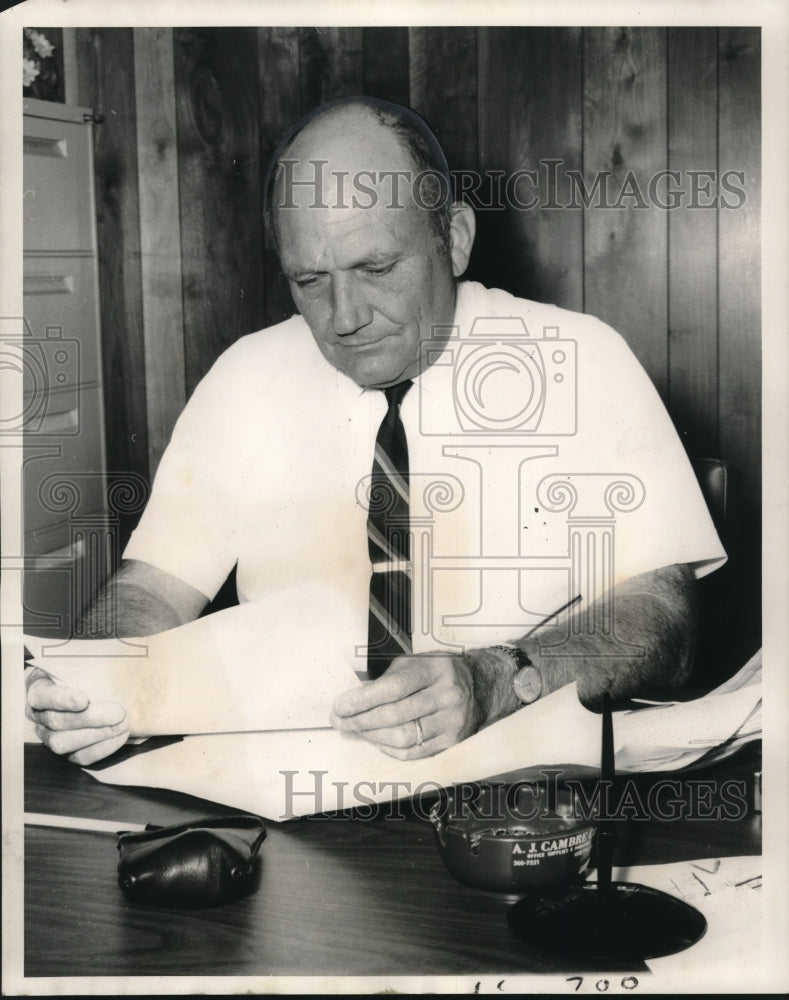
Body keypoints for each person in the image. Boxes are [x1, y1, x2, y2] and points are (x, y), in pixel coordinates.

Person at [25, 97, 725, 768]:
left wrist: (496, 680)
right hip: (289, 782)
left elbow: (663, 619)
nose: (344, 315)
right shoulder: (247, 376)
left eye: (376, 268)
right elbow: (152, 591)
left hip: (521, 777)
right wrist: (98, 676)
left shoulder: (581, 359)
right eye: (310, 280)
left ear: (452, 238)